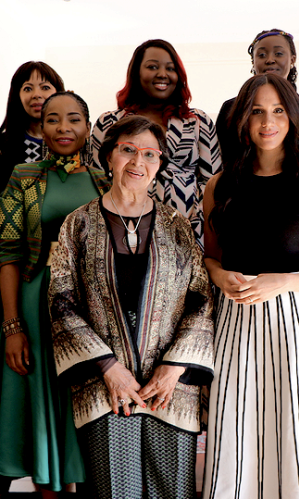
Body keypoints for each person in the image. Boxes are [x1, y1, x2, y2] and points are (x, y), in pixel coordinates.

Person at [203, 74, 299, 499]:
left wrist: (284, 282)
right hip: (236, 321)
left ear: (293, 116)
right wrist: (218, 274)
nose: (267, 121)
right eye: (256, 111)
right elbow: (210, 257)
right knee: (240, 431)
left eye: (278, 110)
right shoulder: (219, 185)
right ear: (242, 120)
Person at [49, 115, 214, 498]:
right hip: (105, 388)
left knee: (172, 491)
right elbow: (60, 302)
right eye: (128, 150)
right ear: (109, 156)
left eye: (150, 154)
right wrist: (109, 369)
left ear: (159, 165)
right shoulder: (78, 224)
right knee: (113, 490)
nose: (138, 162)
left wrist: (174, 367)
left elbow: (201, 298)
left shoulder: (177, 225)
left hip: (170, 391)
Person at [0, 91, 109, 497]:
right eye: (53, 119)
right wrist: (12, 325)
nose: (64, 127)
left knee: (82, 399)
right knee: (43, 403)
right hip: (35, 300)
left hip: (89, 307)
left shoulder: (105, 180)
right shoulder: (23, 176)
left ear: (88, 126)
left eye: (74, 119)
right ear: (41, 127)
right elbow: (8, 254)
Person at [91, 39, 221, 249]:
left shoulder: (198, 121)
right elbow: (97, 178)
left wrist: (197, 224)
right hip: (122, 229)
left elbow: (213, 182)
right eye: (152, 67)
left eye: (170, 68)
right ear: (136, 73)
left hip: (190, 230)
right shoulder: (110, 122)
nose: (162, 74)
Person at [216, 28, 299, 162]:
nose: (270, 60)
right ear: (253, 61)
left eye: (279, 53)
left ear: (292, 59)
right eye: (262, 55)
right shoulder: (231, 108)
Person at [0, 61, 64, 192]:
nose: (36, 95)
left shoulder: (73, 144)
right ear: (17, 96)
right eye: (27, 89)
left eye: (45, 87)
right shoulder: (1, 145)